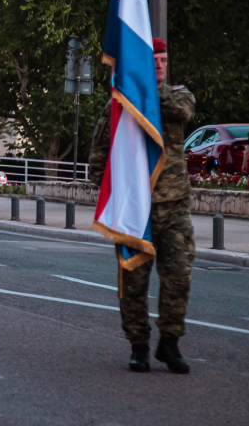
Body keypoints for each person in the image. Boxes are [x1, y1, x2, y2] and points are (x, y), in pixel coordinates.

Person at [87, 37, 195, 375]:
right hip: (136, 210)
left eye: (163, 60)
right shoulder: (118, 107)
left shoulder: (179, 95)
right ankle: (138, 345)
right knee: (133, 283)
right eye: (153, 61)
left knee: (179, 277)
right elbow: (97, 162)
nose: (160, 65)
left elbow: (182, 111)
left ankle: (170, 342)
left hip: (174, 208)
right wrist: (116, 192)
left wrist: (142, 88)